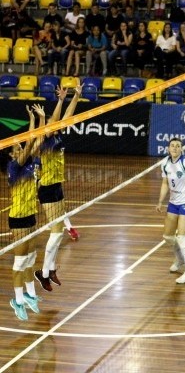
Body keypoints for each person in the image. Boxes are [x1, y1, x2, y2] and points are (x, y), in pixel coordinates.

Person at [35, 85, 83, 293]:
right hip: (47, 188)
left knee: (59, 231)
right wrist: (46, 115)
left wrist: (73, 97)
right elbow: (53, 121)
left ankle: (51, 269)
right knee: (55, 233)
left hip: (57, 185)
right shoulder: (44, 139)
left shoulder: (56, 135)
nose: (57, 124)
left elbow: (66, 117)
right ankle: (44, 272)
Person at [7, 104, 45, 321]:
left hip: (31, 215)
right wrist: (32, 125)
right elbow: (31, 142)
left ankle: (30, 295)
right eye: (17, 149)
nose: (21, 150)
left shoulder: (33, 164)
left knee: (31, 258)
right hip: (19, 218)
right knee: (19, 262)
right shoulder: (14, 168)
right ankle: (17, 300)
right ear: (12, 155)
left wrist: (39, 119)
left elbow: (36, 141)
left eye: (21, 148)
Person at [155, 138, 185, 285]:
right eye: (172, 146)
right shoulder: (165, 163)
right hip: (173, 202)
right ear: (168, 148)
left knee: (183, 237)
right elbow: (164, 183)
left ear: (181, 149)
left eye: (178, 146)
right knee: (167, 237)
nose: (175, 148)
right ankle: (180, 259)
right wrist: (160, 201)